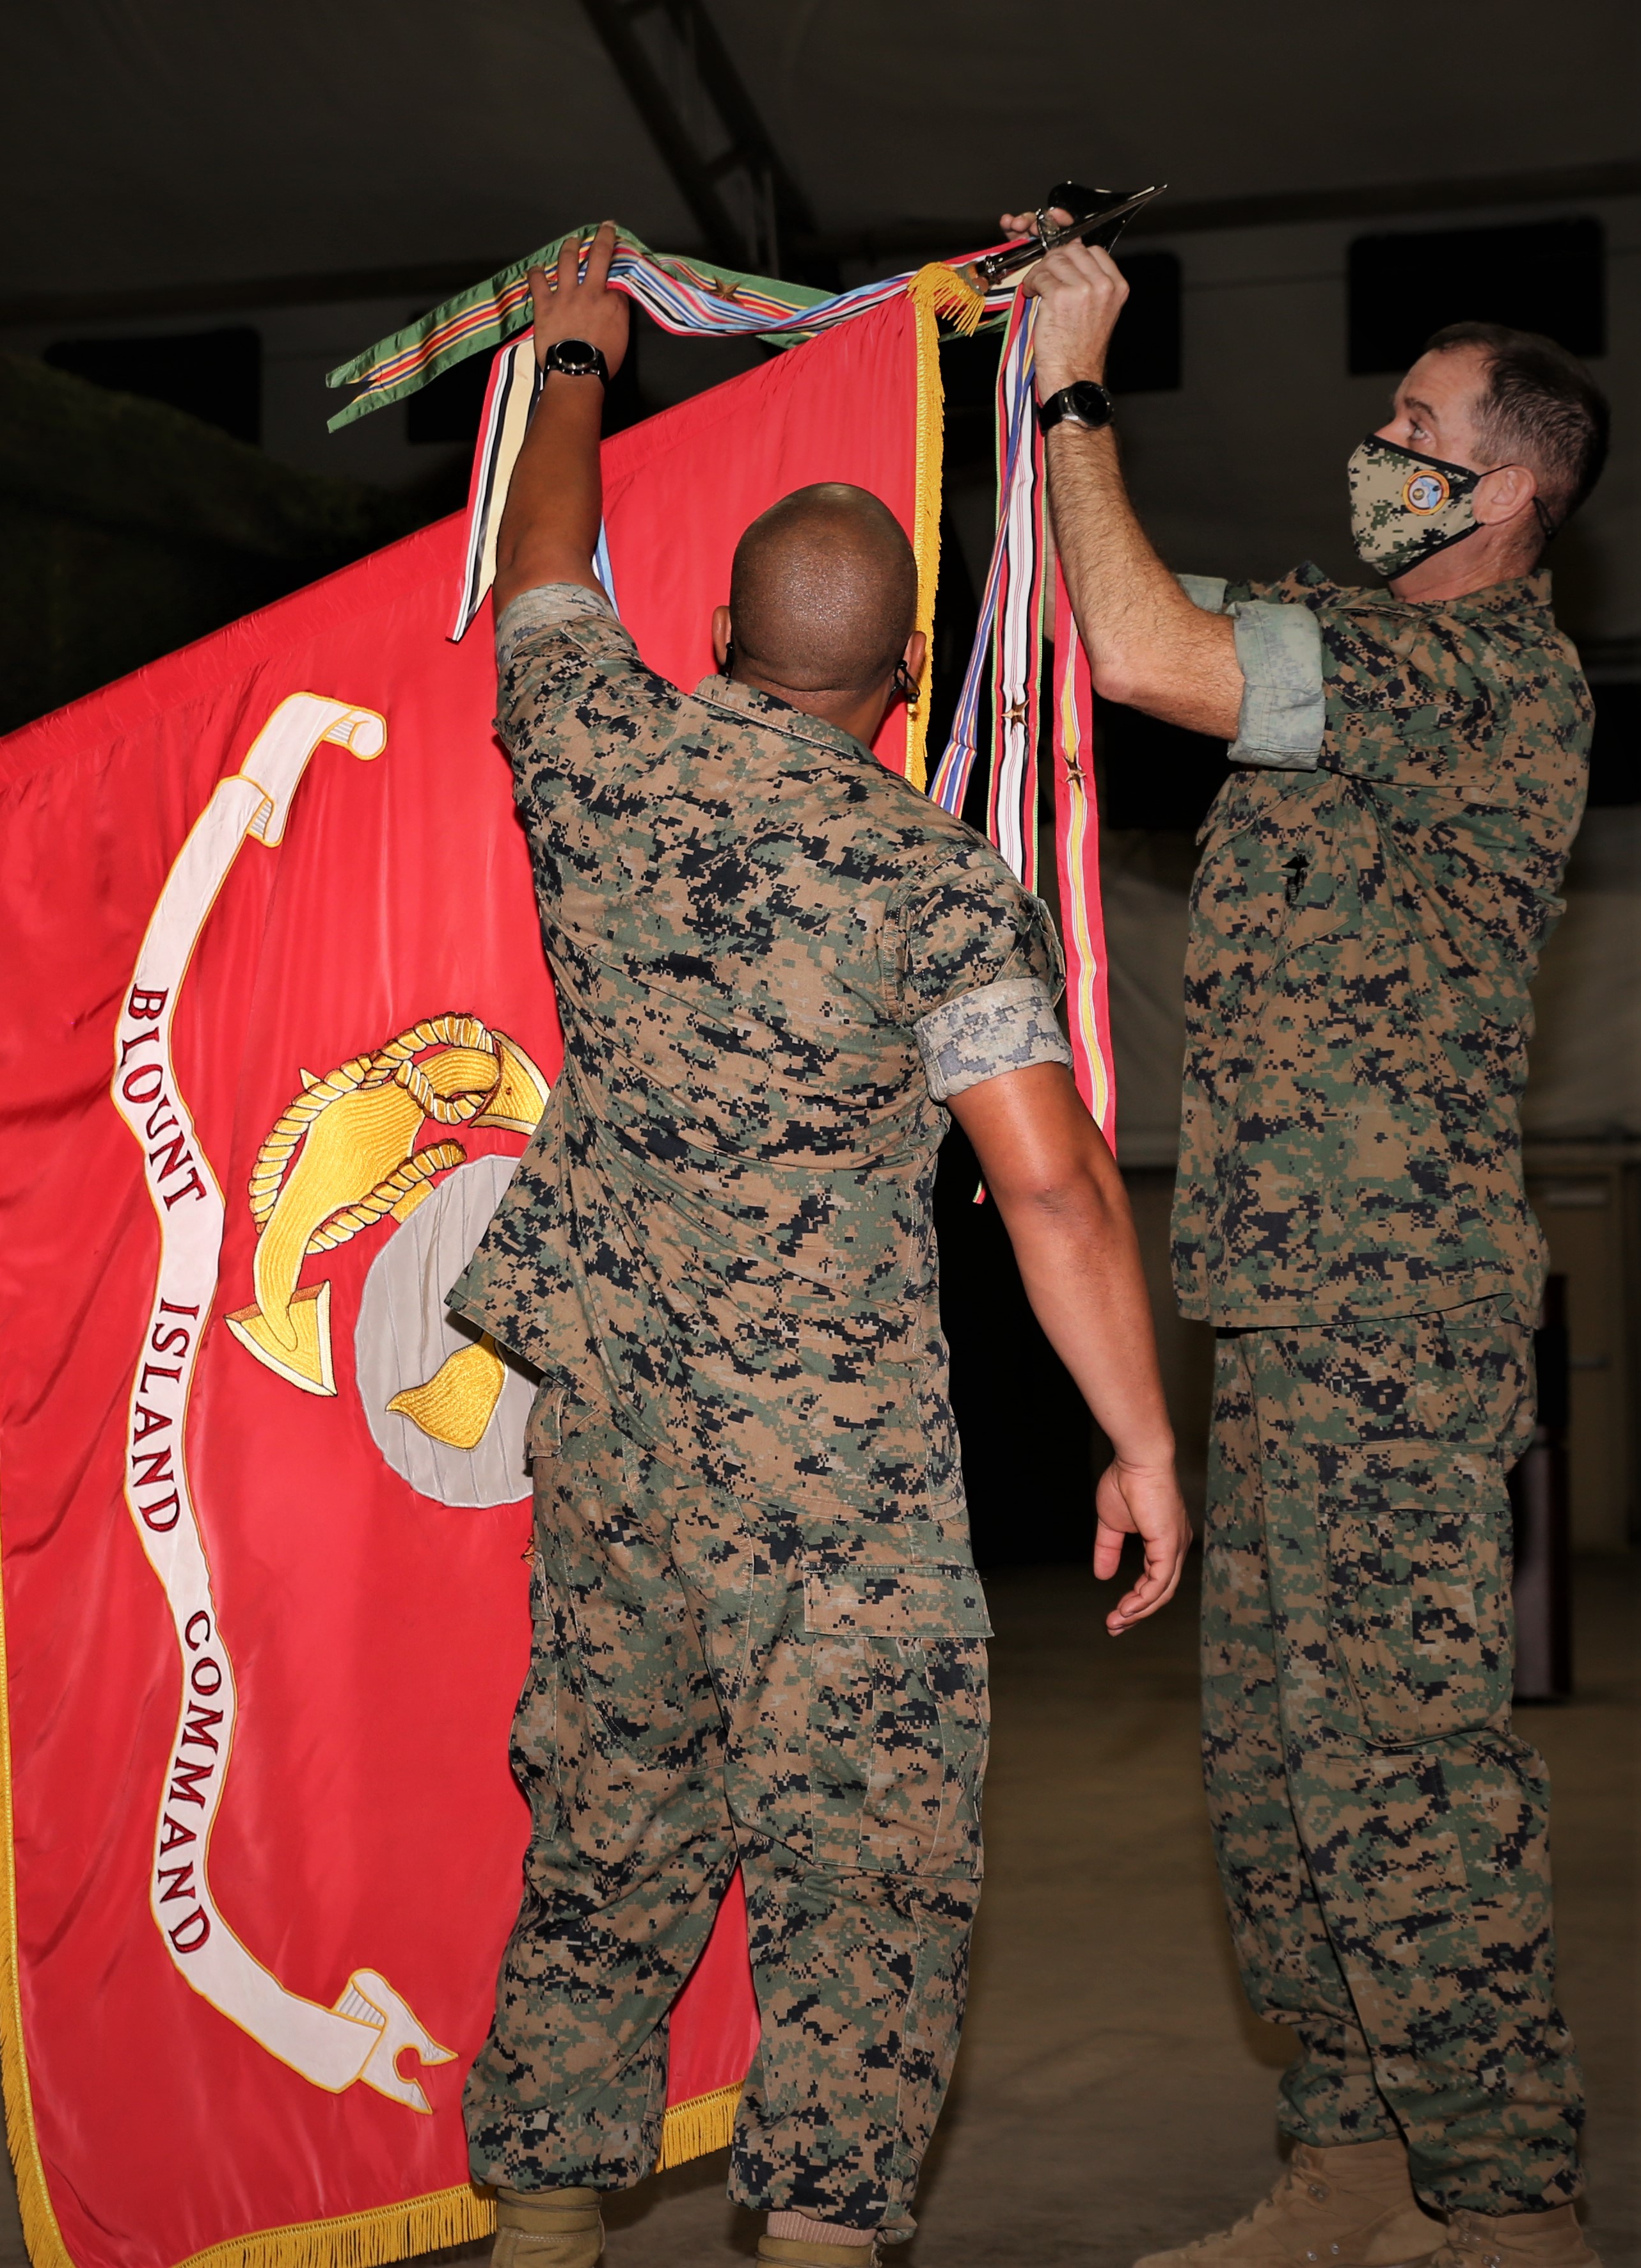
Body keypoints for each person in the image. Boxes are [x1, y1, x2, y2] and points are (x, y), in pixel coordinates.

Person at [447, 223, 1193, 2267]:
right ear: (900, 682)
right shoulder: (937, 887)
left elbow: (535, 578)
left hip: (611, 1450)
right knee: (859, 1871)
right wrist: (1137, 1442)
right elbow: (1044, 1187)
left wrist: (577, 359)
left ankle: (539, 2226)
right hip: (837, 1476)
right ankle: (822, 2236)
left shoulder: (594, 756)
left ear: (711, 625)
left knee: (607, 1840)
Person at [1013, 212, 1608, 2268]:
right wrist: (1006, 381)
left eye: (1412, 422)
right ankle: (1351, 2162)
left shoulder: (1475, 682)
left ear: (1506, 483)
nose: (1379, 441)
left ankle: (1507, 2198)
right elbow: (1115, 606)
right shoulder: (1344, 645)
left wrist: (1082, 386)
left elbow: (1142, 656)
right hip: (1281, 1303)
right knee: (1277, 1772)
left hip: (1394, 1308)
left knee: (1395, 1768)